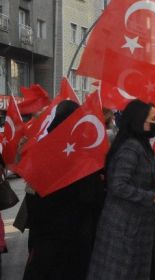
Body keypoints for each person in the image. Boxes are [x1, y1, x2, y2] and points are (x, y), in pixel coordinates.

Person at [88, 100, 155, 280]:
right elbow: (118, 185)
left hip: (135, 224)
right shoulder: (131, 147)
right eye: (153, 118)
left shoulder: (140, 144)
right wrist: (153, 197)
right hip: (124, 226)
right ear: (138, 120)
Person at [22, 101, 104, 280]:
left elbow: (32, 198)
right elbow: (93, 198)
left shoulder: (41, 154)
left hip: (47, 239)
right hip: (76, 240)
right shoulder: (86, 156)